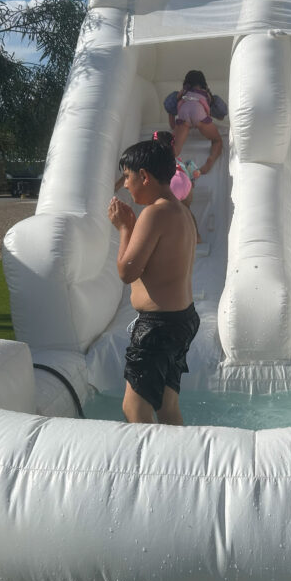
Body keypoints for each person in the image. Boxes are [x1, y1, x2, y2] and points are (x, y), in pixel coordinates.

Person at [108, 135, 199, 425]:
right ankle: (180, 466)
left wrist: (125, 228)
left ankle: (148, 468)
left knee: (134, 409)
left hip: (158, 327)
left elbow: (127, 272)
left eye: (126, 177)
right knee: (166, 406)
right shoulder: (183, 212)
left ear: (144, 176)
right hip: (181, 320)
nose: (124, 185)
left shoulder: (155, 213)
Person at [163, 69, 227, 173]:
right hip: (199, 113)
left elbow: (171, 124)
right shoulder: (207, 94)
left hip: (184, 114)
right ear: (203, 83)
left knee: (176, 148)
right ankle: (209, 162)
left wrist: (177, 129)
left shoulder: (181, 94)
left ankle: (167, 165)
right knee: (217, 141)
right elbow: (221, 116)